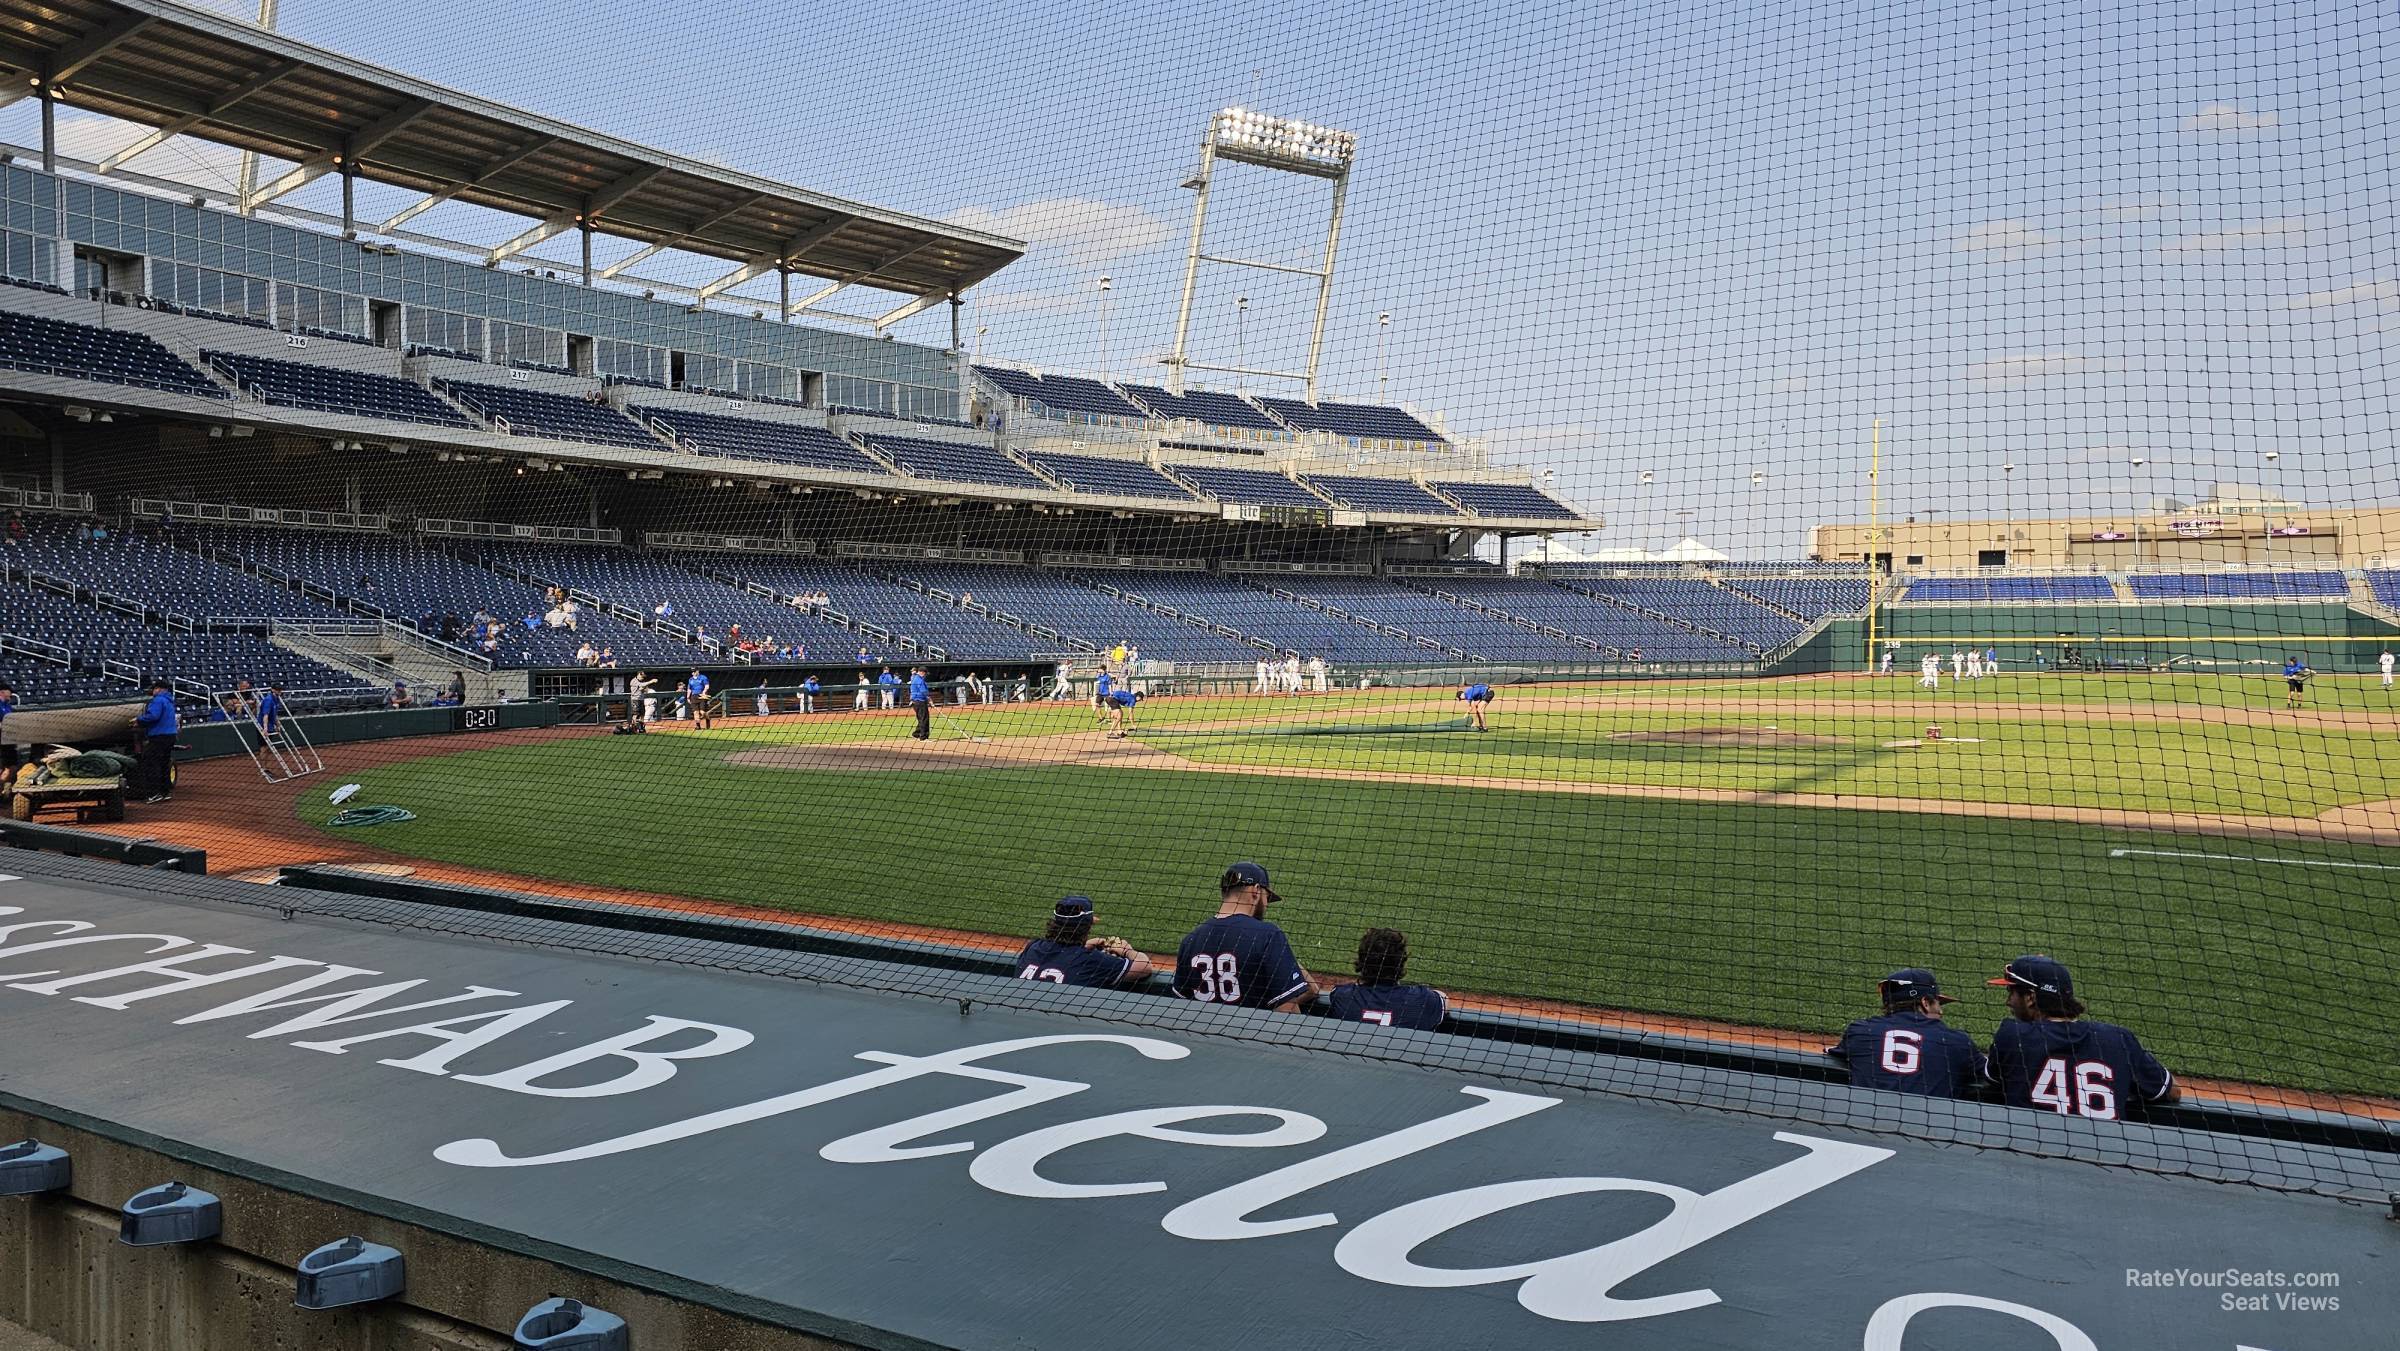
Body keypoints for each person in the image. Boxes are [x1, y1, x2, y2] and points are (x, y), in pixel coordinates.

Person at [1984, 955, 2175, 1119]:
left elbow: (1993, 1078)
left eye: (2011, 992)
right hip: (2104, 1154)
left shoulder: (2013, 1035)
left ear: (2031, 998)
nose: (2008, 1002)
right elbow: (2170, 1091)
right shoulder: (2118, 1039)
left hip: (2032, 1152)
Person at [1171, 862, 1314, 1012]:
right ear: (1256, 891)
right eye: (1267, 897)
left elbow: (1180, 1007)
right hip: (1249, 1033)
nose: (1266, 904)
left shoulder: (1191, 940)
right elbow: (1288, 1012)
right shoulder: (1268, 935)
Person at [1826, 968, 1984, 1098]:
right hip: (1925, 1130)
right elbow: (1991, 1073)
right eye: (1937, 1003)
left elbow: (1834, 1053)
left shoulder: (1860, 1032)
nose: (1941, 1011)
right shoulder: (1956, 1042)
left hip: (1863, 1124)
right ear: (1925, 1003)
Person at [1014, 895, 1154, 988]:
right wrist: (1127, 950)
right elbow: (1144, 967)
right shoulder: (1091, 961)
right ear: (1087, 927)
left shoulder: (1033, 948)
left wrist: (1081, 947)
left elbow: (1061, 959)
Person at [1322, 928, 1447, 1030]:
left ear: (1362, 962)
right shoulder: (1424, 999)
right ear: (1401, 962)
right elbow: (1444, 999)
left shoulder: (1342, 996)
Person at [132, 677, 178, 803]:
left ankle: (154, 794)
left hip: (159, 737)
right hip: (170, 736)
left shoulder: (158, 700)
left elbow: (153, 716)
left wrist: (139, 720)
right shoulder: (169, 700)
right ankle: (164, 792)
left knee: (152, 765)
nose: (153, 691)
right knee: (163, 764)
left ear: (159, 689)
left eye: (154, 689)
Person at [0, 679, 16, 791]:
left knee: (12, 766)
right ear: (1, 692)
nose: (10, 693)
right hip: (1, 740)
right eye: (8, 691)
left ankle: (4, 790)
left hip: (8, 740)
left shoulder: (7, 706)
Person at [908, 666, 931, 741]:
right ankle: (923, 737)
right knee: (924, 719)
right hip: (919, 701)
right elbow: (923, 691)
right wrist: (929, 699)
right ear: (922, 672)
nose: (925, 675)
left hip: (916, 701)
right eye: (925, 674)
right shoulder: (919, 679)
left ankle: (916, 734)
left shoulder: (916, 678)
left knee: (921, 718)